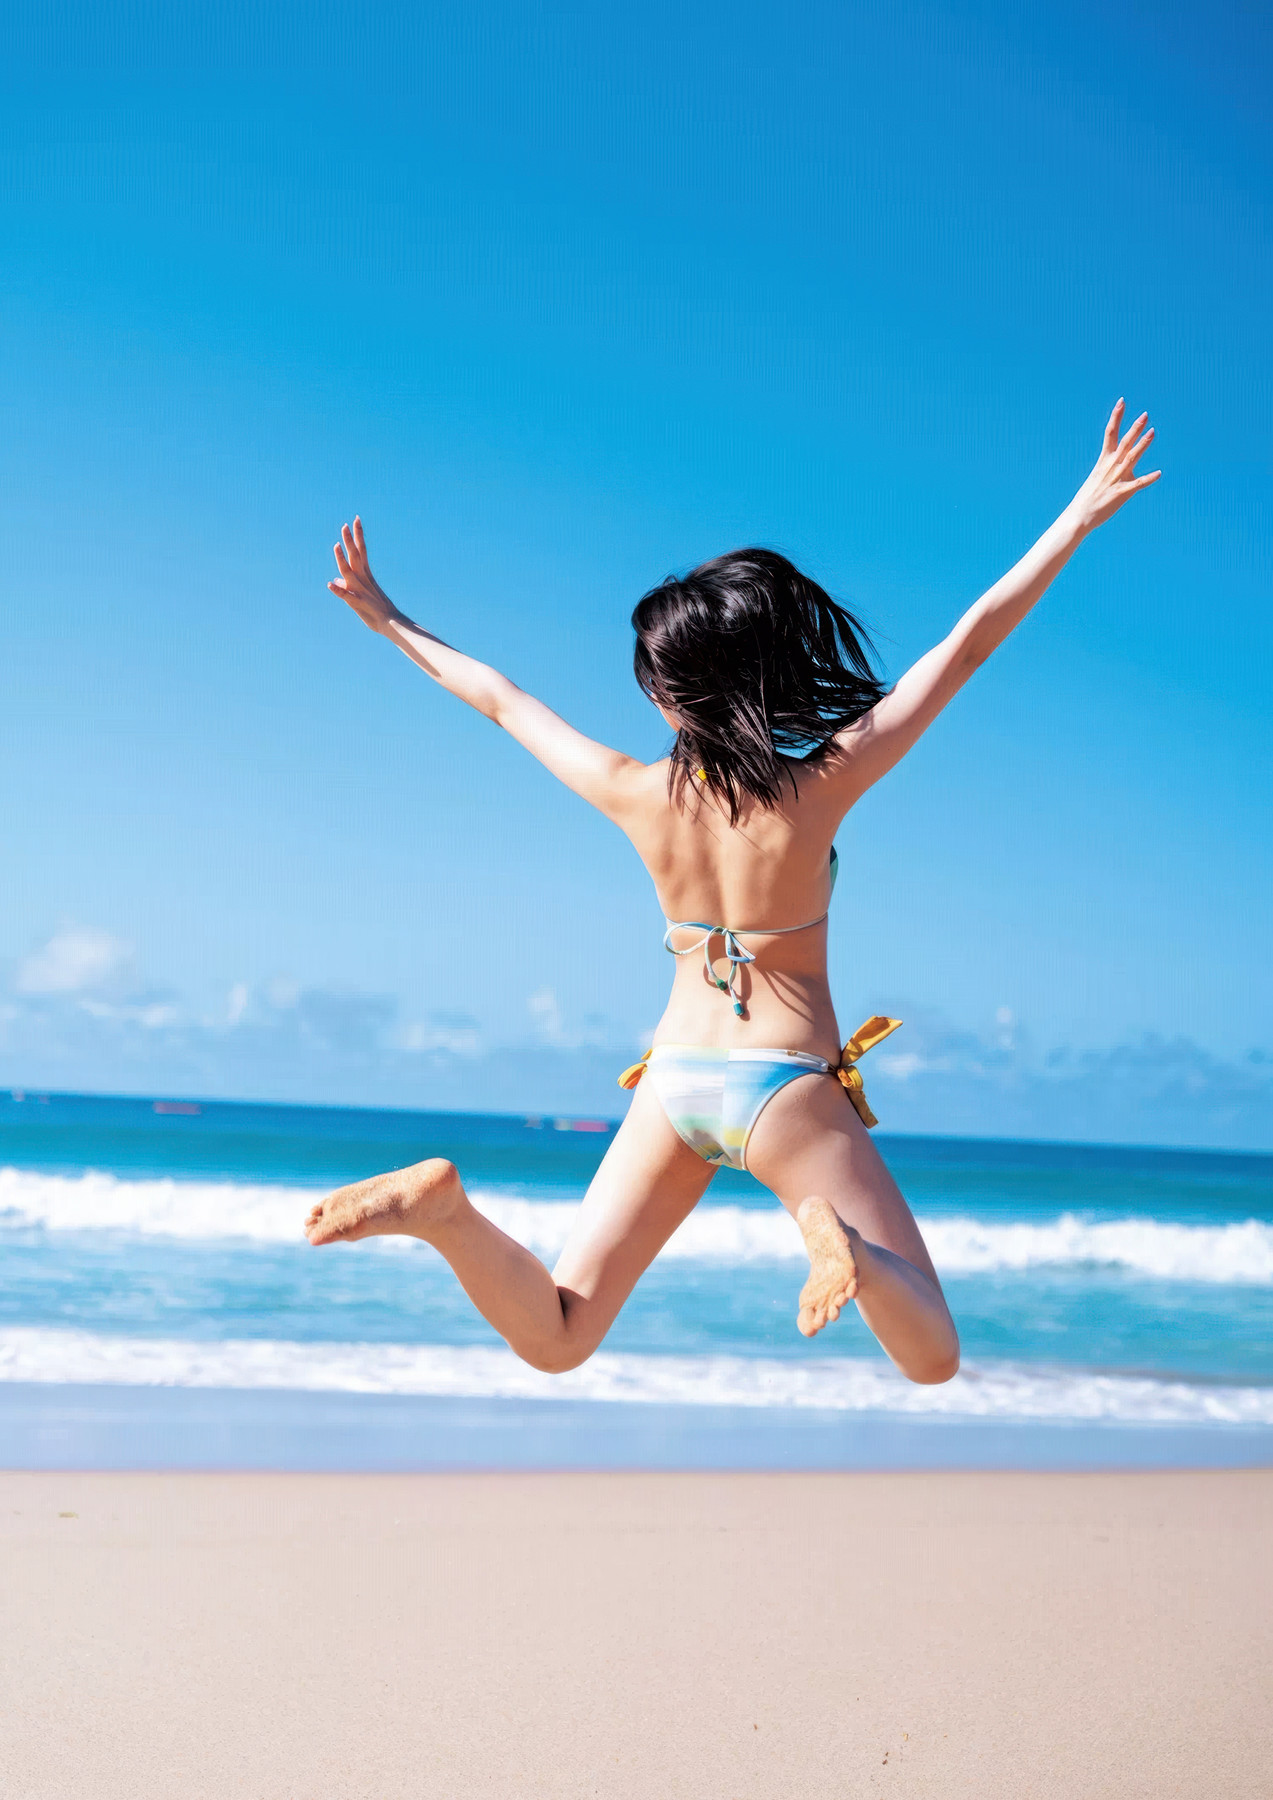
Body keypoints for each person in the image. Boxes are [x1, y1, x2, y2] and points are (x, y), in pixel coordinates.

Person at [305, 399, 1159, 1383]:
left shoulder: (630, 791)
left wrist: (387, 618)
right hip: (784, 1088)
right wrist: (1074, 518)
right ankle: (844, 1246)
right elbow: (966, 645)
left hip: (673, 1084)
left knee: (560, 1336)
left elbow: (499, 699)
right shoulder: (817, 786)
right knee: (930, 1354)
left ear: (665, 693)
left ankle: (446, 1214)